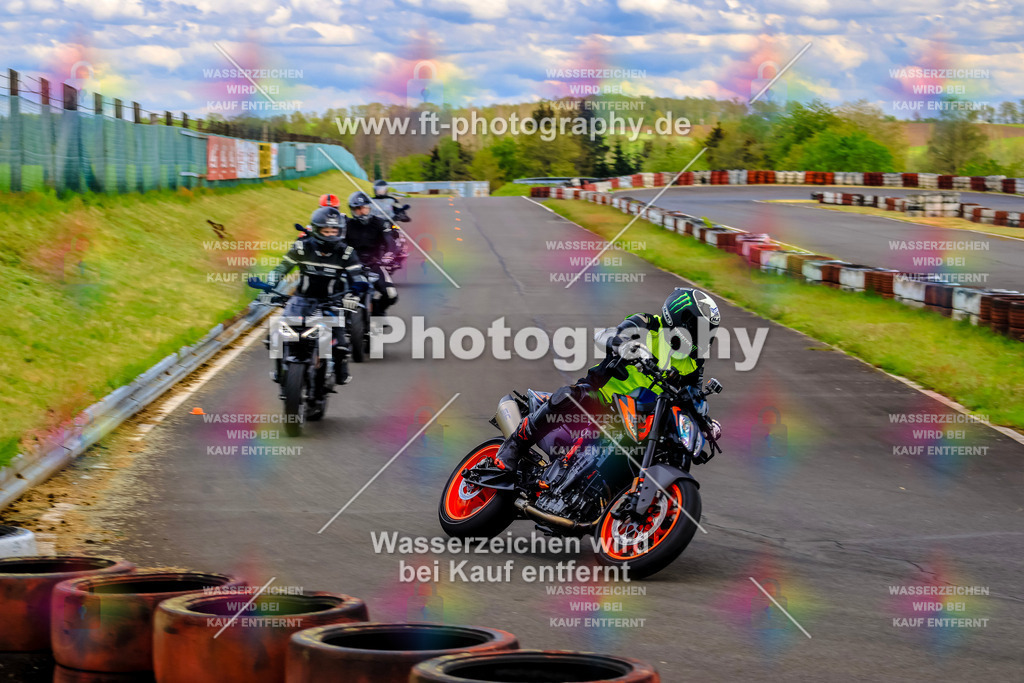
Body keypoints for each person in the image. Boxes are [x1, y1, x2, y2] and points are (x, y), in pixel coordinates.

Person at [494, 287, 724, 472]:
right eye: (700, 329)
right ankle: (515, 445)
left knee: (672, 445)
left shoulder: (694, 361)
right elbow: (610, 334)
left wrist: (705, 421)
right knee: (572, 396)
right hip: (604, 398)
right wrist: (622, 344)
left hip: (644, 418)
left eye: (709, 332)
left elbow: (693, 395)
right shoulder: (648, 323)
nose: (704, 337)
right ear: (680, 319)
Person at [254, 206, 368, 386]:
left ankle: (340, 371)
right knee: (274, 337)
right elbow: (280, 269)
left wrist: (355, 293)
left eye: (334, 231)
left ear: (340, 231)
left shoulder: (346, 253)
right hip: (300, 301)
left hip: (331, 303)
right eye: (326, 231)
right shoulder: (301, 248)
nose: (330, 234)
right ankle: (280, 371)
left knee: (340, 346)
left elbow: (358, 277)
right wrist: (268, 285)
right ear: (316, 230)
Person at [345, 191, 399, 315]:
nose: (362, 211)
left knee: (391, 294)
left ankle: (378, 311)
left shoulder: (380, 223)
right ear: (352, 210)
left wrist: (388, 255)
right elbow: (341, 244)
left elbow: (390, 242)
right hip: (351, 265)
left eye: (364, 207)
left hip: (374, 264)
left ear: (369, 207)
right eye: (358, 209)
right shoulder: (347, 225)